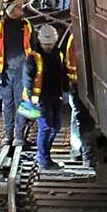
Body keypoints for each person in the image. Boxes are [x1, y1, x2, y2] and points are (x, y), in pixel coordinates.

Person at [0, 0, 36, 146]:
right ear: (10, 8)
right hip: (5, 72)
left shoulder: (27, 26)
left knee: (22, 103)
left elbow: (34, 49)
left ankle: (19, 137)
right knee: (7, 103)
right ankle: (9, 136)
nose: (21, 8)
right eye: (18, 6)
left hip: (23, 71)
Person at [22, 24, 67, 170]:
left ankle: (44, 155)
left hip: (54, 95)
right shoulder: (33, 57)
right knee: (46, 127)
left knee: (55, 127)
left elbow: (62, 73)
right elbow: (27, 79)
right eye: (46, 44)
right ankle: (43, 159)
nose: (48, 47)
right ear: (40, 42)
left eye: (51, 44)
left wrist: (65, 91)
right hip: (39, 98)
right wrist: (31, 97)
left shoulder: (58, 54)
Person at [59, 25, 93, 167]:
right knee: (81, 118)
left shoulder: (72, 38)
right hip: (77, 85)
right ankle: (84, 155)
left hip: (76, 84)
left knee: (77, 116)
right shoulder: (75, 40)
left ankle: (77, 151)